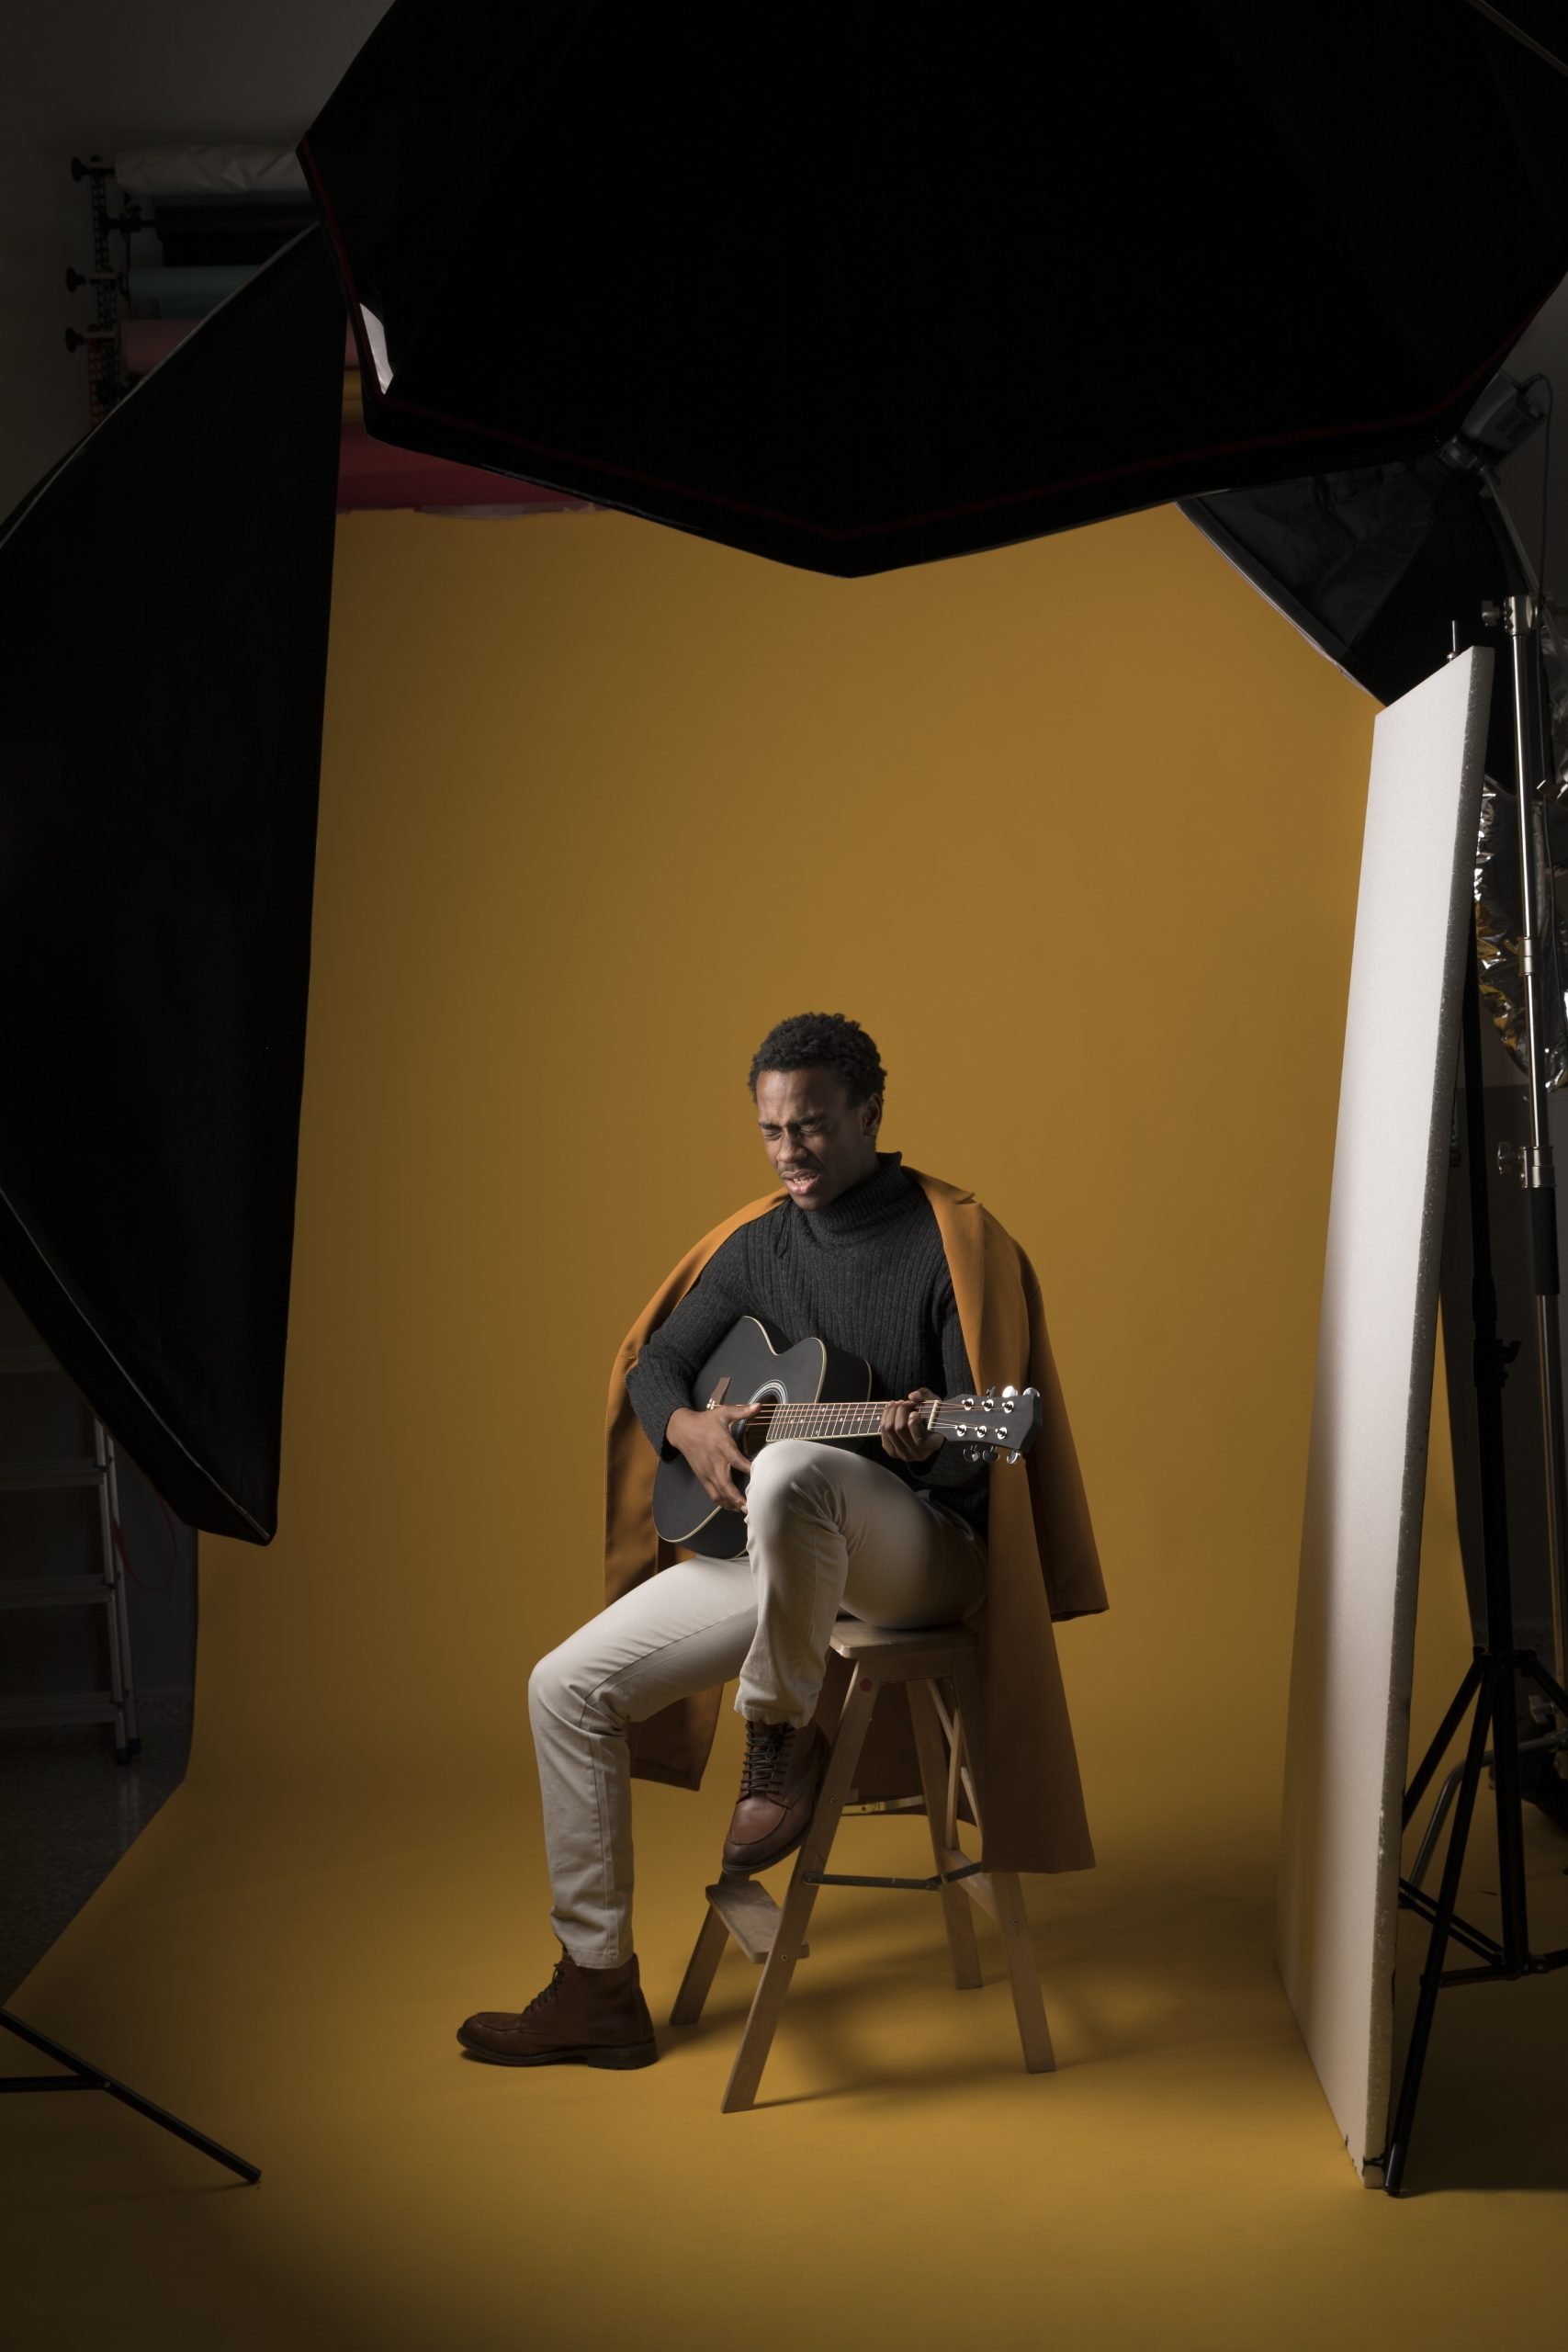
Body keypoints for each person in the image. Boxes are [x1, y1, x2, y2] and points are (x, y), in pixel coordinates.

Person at [457, 1011, 1103, 2070]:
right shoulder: (760, 1247)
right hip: (785, 1556)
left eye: (811, 1126)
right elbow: (655, 1365)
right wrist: (690, 1426)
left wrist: (927, 1438)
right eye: (771, 1130)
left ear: (869, 1114)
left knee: (801, 1468)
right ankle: (598, 1986)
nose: (790, 1151)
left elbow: (982, 1455)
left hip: (919, 1552)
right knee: (561, 1687)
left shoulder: (946, 1243)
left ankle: (777, 1742)